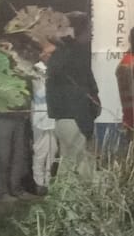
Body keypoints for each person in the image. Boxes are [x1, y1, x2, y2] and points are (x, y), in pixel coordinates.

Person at [47, 12, 97, 178]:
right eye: (89, 28)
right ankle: (68, 200)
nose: (91, 33)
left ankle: (64, 200)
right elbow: (82, 89)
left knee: (69, 162)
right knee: (74, 164)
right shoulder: (71, 53)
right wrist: (87, 120)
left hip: (66, 116)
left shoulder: (62, 53)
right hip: (74, 116)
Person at [29, 45, 57, 193]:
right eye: (48, 53)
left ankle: (48, 182)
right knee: (40, 151)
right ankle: (38, 182)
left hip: (53, 116)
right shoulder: (37, 70)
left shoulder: (55, 69)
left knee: (52, 152)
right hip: (40, 116)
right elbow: (40, 93)